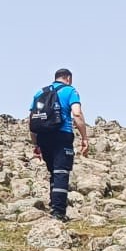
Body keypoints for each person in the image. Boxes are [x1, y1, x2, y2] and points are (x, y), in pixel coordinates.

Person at [29, 68, 87, 221]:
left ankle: (54, 205)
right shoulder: (70, 91)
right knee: (61, 172)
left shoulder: (39, 93)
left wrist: (36, 144)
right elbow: (76, 113)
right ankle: (58, 213)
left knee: (54, 172)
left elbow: (32, 120)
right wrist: (84, 137)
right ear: (68, 78)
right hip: (62, 135)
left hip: (43, 137)